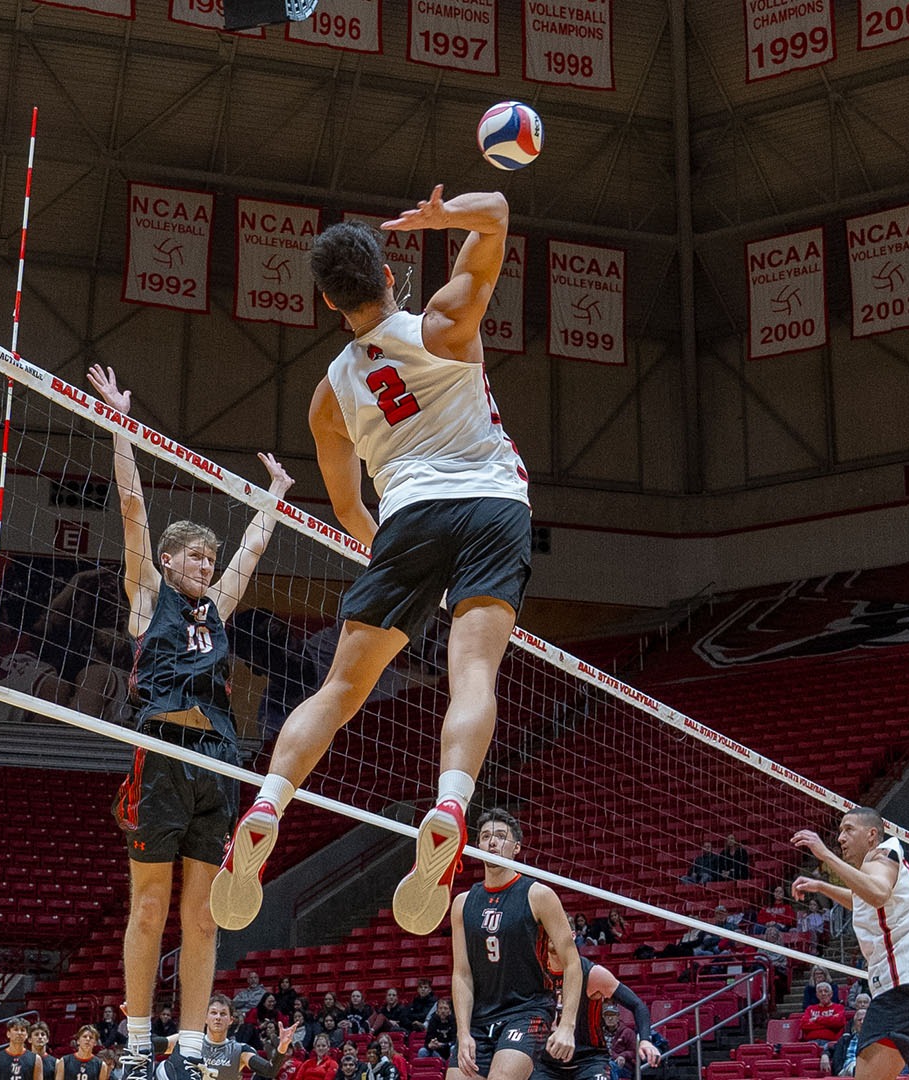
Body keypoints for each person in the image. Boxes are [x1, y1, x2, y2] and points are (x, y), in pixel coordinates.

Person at [212, 189, 533, 937]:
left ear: (329, 300)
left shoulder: (330, 396)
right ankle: (451, 802)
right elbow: (497, 213)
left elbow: (352, 511)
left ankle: (268, 803)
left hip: (407, 518)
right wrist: (443, 219)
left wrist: (397, 559)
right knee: (474, 673)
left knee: (337, 690)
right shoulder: (444, 324)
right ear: (391, 273)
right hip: (492, 505)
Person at [92, 357, 296, 1080]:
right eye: (195, 557)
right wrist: (120, 421)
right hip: (161, 753)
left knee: (203, 916)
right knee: (149, 908)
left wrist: (273, 496)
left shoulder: (219, 606)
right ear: (171, 562)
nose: (207, 566)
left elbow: (252, 549)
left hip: (218, 764)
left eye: (210, 558)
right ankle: (140, 1041)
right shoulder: (150, 595)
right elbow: (132, 509)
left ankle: (190, 1049)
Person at [790, 806, 909, 1080]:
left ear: (871, 835)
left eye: (848, 829)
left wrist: (824, 855)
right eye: (839, 832)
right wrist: (822, 887)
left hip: (904, 987)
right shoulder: (884, 867)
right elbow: (867, 900)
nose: (840, 838)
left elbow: (877, 894)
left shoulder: (880, 854)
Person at [449, 810, 583, 1080]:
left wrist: (567, 1025)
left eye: (501, 836)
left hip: (527, 1011)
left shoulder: (539, 895)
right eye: (486, 837)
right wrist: (462, 1033)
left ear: (516, 848)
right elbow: (462, 973)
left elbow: (572, 963)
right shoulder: (462, 903)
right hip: (479, 1018)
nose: (492, 843)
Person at [543, 959, 659, 1080]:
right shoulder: (537, 969)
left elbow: (637, 1005)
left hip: (589, 1061)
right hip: (545, 1062)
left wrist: (645, 1040)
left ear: (573, 938)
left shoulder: (593, 973)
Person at [195, 993, 295, 1080]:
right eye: (213, 1013)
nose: (218, 1017)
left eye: (223, 1014)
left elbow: (270, 1071)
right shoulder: (191, 1044)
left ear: (231, 1020)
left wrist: (282, 1046)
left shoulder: (240, 1050)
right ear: (205, 1018)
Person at [798, 981, 849, 1053]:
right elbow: (804, 1025)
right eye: (820, 991)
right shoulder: (810, 1009)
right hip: (811, 1042)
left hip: (830, 1043)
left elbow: (838, 1022)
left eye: (826, 991)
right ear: (817, 995)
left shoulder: (838, 1008)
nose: (823, 994)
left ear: (831, 994)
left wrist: (816, 1019)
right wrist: (829, 1023)